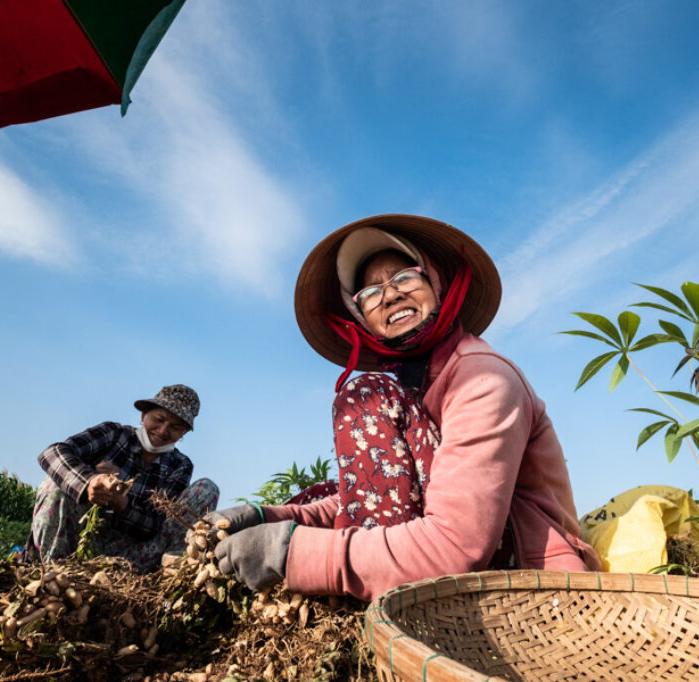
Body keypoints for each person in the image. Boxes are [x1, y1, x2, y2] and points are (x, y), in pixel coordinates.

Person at [208, 214, 600, 601]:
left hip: (528, 574)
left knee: (366, 396)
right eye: (371, 293)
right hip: (468, 558)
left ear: (436, 283)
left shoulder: (483, 377)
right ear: (364, 319)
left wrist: (289, 552)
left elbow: (456, 543)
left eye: (404, 277)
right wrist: (266, 518)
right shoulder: (417, 391)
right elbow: (366, 498)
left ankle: (375, 601)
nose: (391, 295)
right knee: (325, 493)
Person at [30, 384, 219, 572]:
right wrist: (89, 481)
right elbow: (51, 453)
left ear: (184, 433)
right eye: (159, 419)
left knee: (207, 488)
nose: (162, 431)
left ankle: (172, 571)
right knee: (55, 484)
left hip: (133, 556)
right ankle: (52, 571)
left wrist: (122, 504)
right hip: (81, 542)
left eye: (175, 427)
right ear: (144, 415)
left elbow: (155, 525)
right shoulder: (113, 434)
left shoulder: (180, 466)